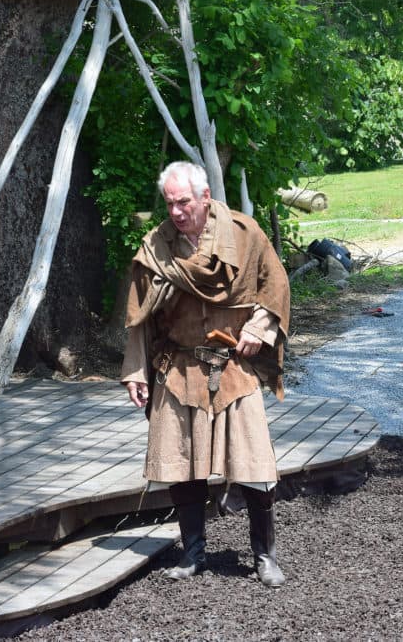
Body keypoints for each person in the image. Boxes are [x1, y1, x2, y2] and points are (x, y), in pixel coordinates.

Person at [121, 161, 291, 588]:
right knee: (184, 469)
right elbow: (139, 314)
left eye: (183, 202)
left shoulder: (244, 235)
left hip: (233, 368)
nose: (176, 212)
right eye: (170, 203)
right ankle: (193, 554)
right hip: (178, 369)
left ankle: (265, 557)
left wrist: (258, 328)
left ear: (205, 197)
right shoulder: (157, 246)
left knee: (256, 466)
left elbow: (276, 288)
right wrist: (137, 372)